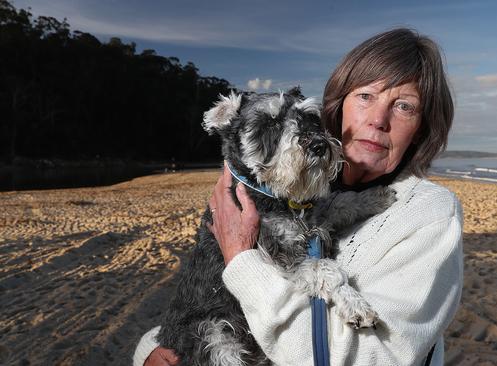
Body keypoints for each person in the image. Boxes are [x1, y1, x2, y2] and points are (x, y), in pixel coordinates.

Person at [134, 27, 463, 366]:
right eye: (366, 96)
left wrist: (241, 259)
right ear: (339, 105)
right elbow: (198, 302)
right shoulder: (295, 185)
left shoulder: (430, 213)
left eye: (405, 106)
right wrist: (150, 353)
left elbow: (374, 356)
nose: (379, 120)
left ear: (423, 127)